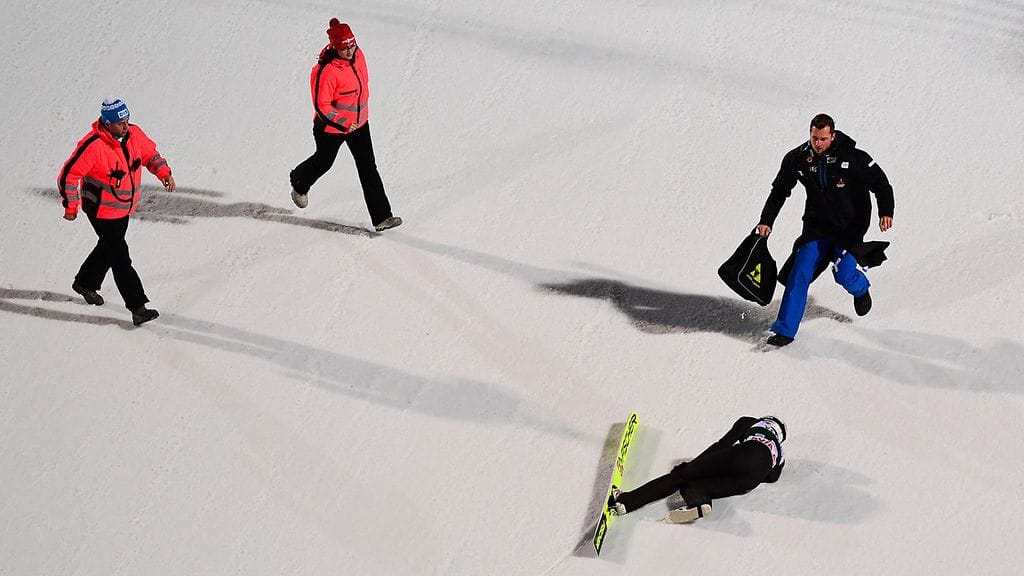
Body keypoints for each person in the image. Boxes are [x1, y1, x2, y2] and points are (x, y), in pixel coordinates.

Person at [756, 114, 894, 347]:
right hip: (816, 228)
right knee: (799, 274)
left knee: (843, 274)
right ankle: (785, 331)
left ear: (833, 135)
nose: (818, 143)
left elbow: (881, 184)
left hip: (849, 229)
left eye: (823, 139)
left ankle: (860, 289)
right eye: (814, 138)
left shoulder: (854, 157)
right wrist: (766, 220)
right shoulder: (798, 158)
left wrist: (886, 212)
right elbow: (780, 190)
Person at [58, 98, 176, 326]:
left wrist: (163, 172)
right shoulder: (92, 146)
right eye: (120, 122)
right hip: (101, 211)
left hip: (123, 207)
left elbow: (150, 155)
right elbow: (68, 176)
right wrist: (70, 206)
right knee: (121, 258)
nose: (126, 125)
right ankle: (137, 307)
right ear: (107, 123)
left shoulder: (134, 134)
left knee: (108, 247)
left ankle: (85, 282)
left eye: (127, 120)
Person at [289, 18, 402, 233]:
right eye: (344, 48)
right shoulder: (327, 71)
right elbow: (321, 106)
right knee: (324, 162)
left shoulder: (359, 55)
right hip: (330, 128)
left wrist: (356, 121)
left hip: (359, 124)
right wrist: (343, 123)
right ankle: (299, 180)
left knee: (368, 166)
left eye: (351, 45)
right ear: (334, 47)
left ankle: (382, 218)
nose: (350, 51)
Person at [610, 416, 786, 523]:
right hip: (751, 479)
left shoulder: (751, 422)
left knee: (682, 476)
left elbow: (722, 445)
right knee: (695, 485)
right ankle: (700, 501)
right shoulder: (781, 453)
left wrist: (694, 465)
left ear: (766, 420)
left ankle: (626, 501)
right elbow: (772, 478)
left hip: (746, 453)